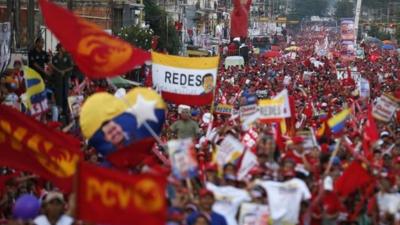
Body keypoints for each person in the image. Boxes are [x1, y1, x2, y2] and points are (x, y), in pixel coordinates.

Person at [51, 44, 73, 124]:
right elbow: (52, 66)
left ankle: (65, 112)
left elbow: (71, 66)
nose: (65, 48)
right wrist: (58, 71)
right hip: (58, 80)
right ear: (60, 48)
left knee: (65, 95)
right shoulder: (55, 57)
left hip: (65, 79)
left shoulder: (67, 57)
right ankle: (59, 113)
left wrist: (64, 71)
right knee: (58, 96)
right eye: (63, 47)